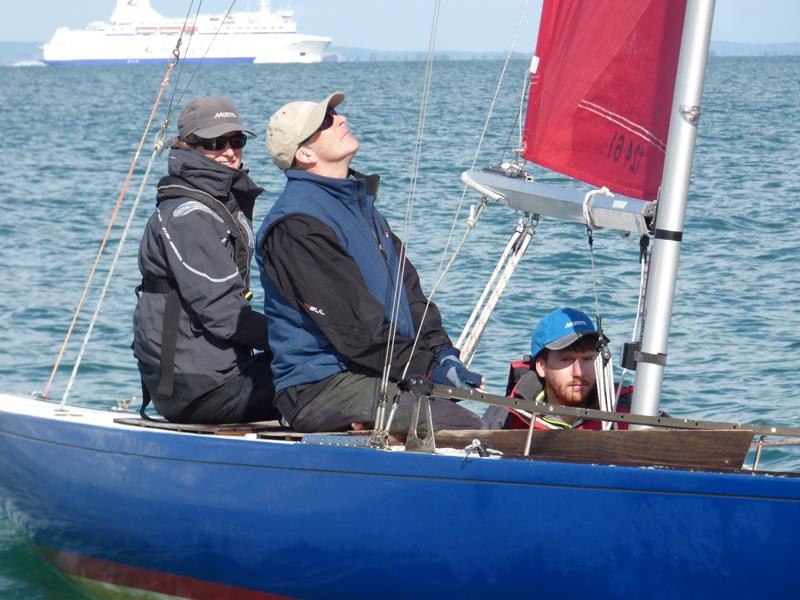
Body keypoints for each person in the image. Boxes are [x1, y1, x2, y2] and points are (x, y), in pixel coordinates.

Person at [256, 91, 484, 433]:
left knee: (501, 416)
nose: (341, 119)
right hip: (321, 386)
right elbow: (354, 328)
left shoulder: (360, 207)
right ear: (304, 153)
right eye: (326, 122)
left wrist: (440, 353)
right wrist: (424, 368)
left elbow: (410, 295)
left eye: (336, 114)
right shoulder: (296, 224)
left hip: (375, 371)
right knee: (465, 429)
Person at [133, 96, 277, 424]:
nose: (229, 151)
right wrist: (302, 338)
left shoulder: (217, 202)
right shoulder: (189, 216)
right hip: (199, 390)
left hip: (213, 375)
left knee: (316, 364)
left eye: (236, 140)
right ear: (188, 146)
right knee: (319, 375)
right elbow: (227, 317)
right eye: (214, 143)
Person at [487, 307, 630, 430]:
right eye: (566, 360)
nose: (579, 372)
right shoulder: (507, 414)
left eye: (587, 359)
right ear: (541, 367)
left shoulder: (627, 408)